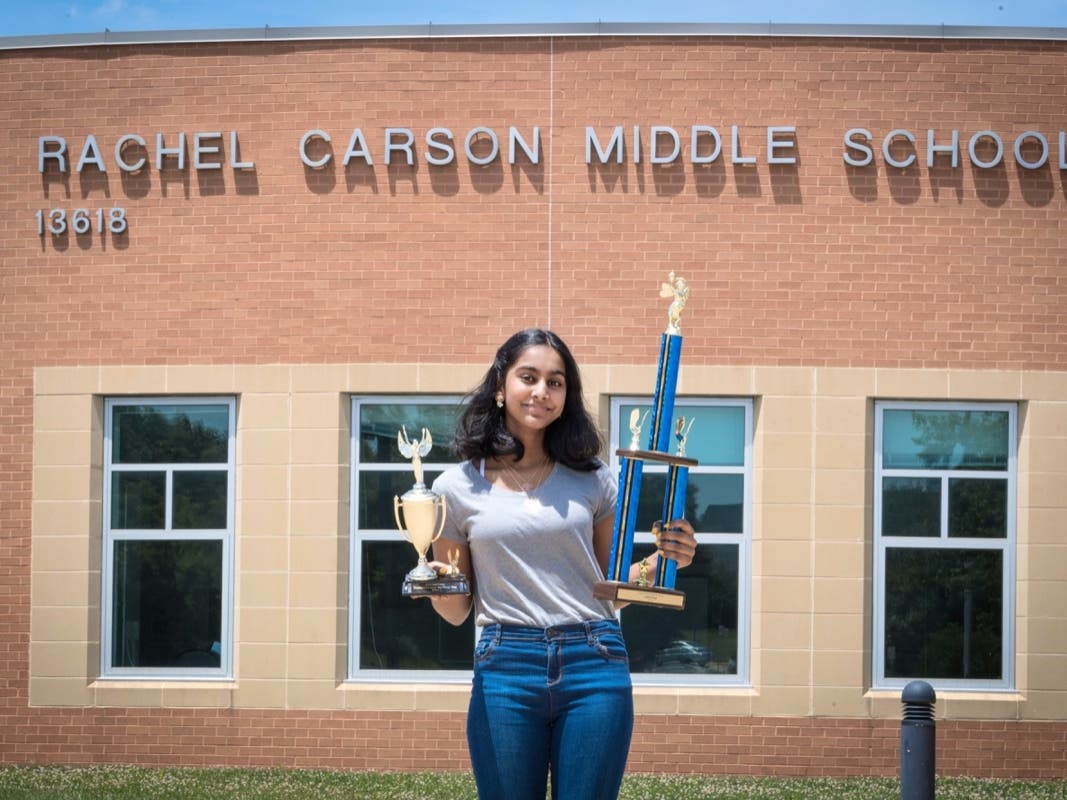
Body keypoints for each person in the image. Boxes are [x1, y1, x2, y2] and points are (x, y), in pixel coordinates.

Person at [424, 328, 697, 800]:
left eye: (556, 382)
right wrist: (434, 584)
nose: (541, 392)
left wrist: (665, 560)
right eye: (528, 377)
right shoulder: (455, 489)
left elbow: (611, 583)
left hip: (594, 659)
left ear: (567, 395)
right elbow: (456, 610)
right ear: (500, 386)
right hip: (505, 664)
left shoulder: (594, 479)